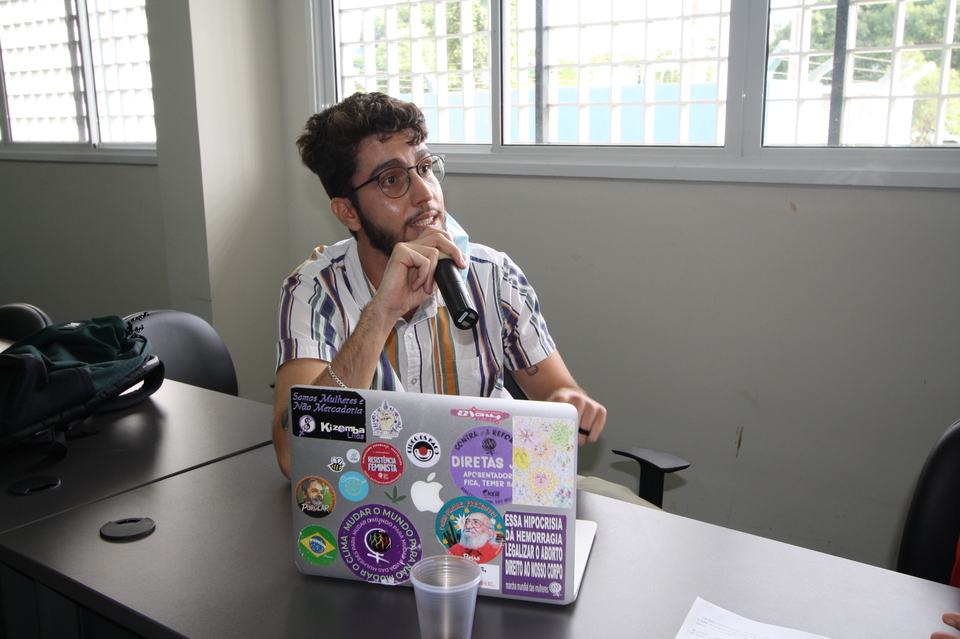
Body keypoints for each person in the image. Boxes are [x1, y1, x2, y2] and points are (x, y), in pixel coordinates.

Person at [271, 92, 605, 479]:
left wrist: (569, 406)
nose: (425, 194)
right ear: (348, 211)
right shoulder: (314, 291)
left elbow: (560, 397)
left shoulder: (493, 276)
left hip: (487, 489)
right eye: (392, 179)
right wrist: (381, 314)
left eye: (425, 167)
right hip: (374, 500)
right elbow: (294, 459)